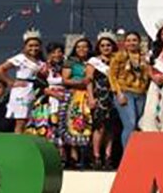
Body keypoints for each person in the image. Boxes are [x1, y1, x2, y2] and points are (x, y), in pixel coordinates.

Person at [0, 30, 49, 134]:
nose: (33, 48)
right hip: (22, 91)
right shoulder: (20, 58)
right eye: (30, 45)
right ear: (25, 46)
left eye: (36, 45)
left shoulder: (41, 62)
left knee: (30, 121)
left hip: (34, 90)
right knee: (21, 121)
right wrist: (10, 82)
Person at [108, 31, 151, 149]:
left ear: (139, 42)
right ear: (125, 43)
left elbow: (148, 75)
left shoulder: (144, 57)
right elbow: (112, 76)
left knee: (139, 124)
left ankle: (137, 153)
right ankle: (127, 154)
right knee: (130, 123)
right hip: (125, 92)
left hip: (141, 93)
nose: (131, 43)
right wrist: (118, 93)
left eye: (134, 40)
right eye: (128, 40)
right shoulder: (119, 56)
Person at [26, 43, 68, 152]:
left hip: (64, 100)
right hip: (47, 101)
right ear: (48, 54)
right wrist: (52, 93)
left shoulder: (66, 67)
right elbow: (38, 85)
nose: (57, 54)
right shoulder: (43, 68)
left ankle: (62, 155)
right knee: (47, 127)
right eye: (53, 52)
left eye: (59, 52)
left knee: (62, 127)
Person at [86, 34, 119, 170]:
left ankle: (108, 157)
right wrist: (90, 97)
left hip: (114, 96)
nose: (106, 48)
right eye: (103, 45)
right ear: (99, 47)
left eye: (108, 45)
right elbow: (88, 80)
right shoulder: (94, 61)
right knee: (100, 127)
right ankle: (96, 156)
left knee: (111, 128)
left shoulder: (117, 60)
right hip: (99, 96)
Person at [62, 38, 94, 168]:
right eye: (78, 47)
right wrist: (82, 82)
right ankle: (74, 157)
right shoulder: (70, 62)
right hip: (75, 95)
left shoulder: (93, 62)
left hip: (89, 95)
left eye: (85, 47)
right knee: (74, 125)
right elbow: (65, 80)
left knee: (88, 124)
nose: (82, 49)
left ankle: (86, 157)